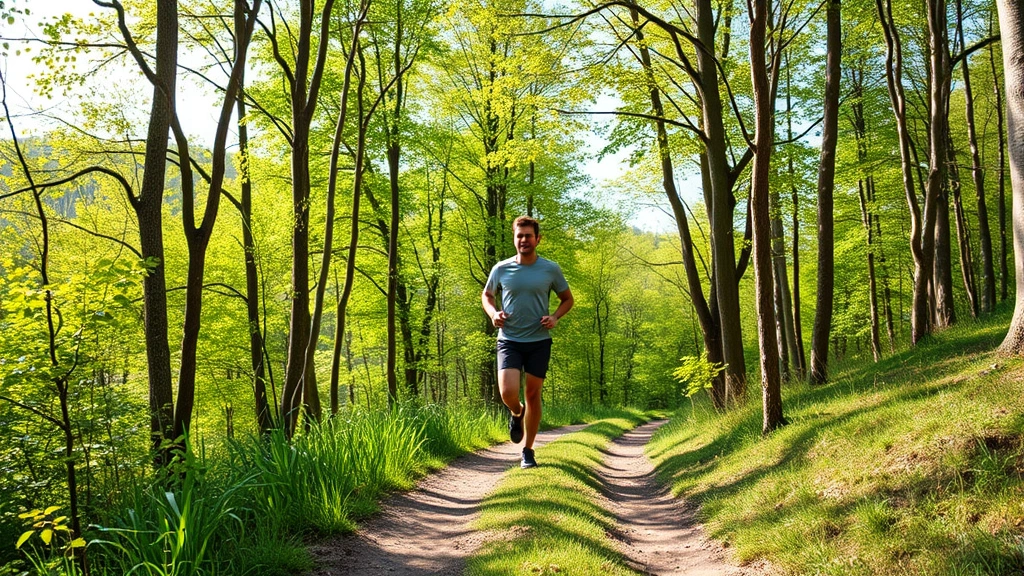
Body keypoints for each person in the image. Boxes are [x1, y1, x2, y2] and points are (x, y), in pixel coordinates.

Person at [481, 216, 574, 468]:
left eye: (528, 236)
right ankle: (516, 412)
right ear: (514, 238)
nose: (524, 240)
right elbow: (487, 295)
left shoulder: (550, 269)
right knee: (508, 393)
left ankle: (528, 451)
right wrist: (493, 313)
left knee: (533, 395)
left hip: (539, 341)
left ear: (537, 239)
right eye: (519, 235)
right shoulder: (501, 268)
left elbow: (567, 299)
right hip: (509, 339)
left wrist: (555, 316)